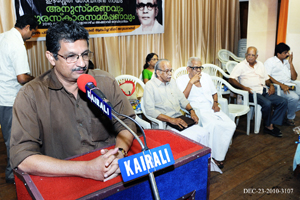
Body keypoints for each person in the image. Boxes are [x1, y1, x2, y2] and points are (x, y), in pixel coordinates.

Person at [10, 21, 135, 182]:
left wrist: (119, 153)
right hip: (63, 180)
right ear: (51, 57)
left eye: (85, 54)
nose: (82, 63)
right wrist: (85, 169)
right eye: (71, 57)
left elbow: (127, 123)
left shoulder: (105, 82)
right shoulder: (30, 95)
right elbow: (23, 158)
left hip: (112, 174)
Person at [176, 57, 236, 169]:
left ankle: (220, 152)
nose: (199, 70)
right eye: (195, 68)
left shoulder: (206, 77)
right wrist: (190, 83)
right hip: (197, 110)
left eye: (200, 67)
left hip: (210, 108)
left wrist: (216, 103)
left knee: (230, 125)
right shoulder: (181, 79)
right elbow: (182, 99)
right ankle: (214, 157)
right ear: (188, 69)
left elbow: (214, 93)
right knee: (213, 125)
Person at [0, 14, 37, 184]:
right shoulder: (17, 44)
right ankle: (12, 175)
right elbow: (22, 78)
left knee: (9, 138)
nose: (32, 36)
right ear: (27, 27)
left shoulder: (3, 37)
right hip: (9, 99)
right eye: (33, 32)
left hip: (2, 96)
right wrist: (36, 79)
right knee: (13, 140)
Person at [143, 59, 209, 149]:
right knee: (192, 138)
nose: (170, 73)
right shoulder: (150, 86)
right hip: (165, 124)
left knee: (204, 133)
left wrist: (191, 111)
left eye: (171, 70)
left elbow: (182, 100)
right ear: (158, 73)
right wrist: (171, 120)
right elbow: (150, 111)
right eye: (167, 71)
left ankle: (204, 161)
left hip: (179, 119)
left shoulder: (172, 82)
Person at [229, 46, 288, 137]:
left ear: (257, 56)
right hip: (251, 92)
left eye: (253, 55)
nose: (251, 57)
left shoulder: (260, 64)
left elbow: (267, 79)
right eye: (248, 54)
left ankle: (272, 123)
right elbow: (231, 79)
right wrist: (243, 87)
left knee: (283, 101)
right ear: (245, 55)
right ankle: (268, 126)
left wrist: (271, 85)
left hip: (263, 90)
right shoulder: (240, 66)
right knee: (267, 104)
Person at [264, 43, 300, 126]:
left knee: (294, 98)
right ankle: (290, 117)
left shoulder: (286, 62)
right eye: (285, 52)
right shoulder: (270, 61)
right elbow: (267, 76)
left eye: (288, 52)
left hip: (289, 84)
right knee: (294, 98)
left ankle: (287, 111)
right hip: (277, 87)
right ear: (278, 54)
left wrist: (291, 63)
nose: (287, 54)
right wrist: (281, 85)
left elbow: (294, 78)